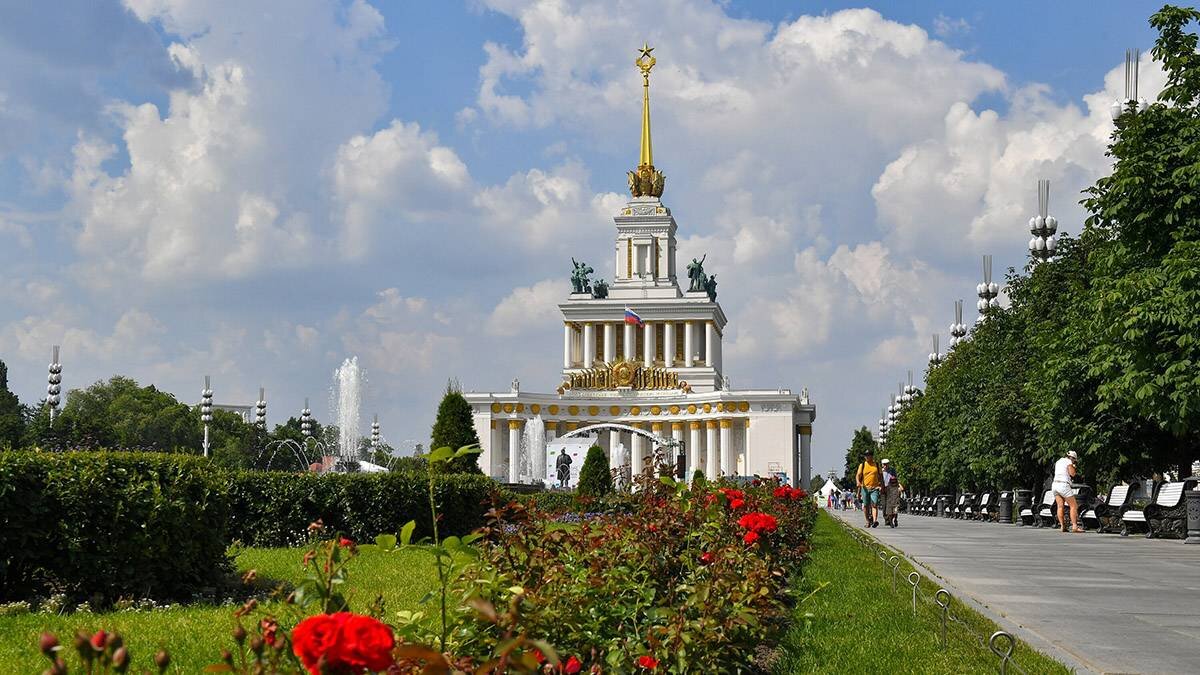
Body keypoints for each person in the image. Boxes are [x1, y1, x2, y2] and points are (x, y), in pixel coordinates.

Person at [1053, 450, 1084, 533]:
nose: (1074, 462)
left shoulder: (1058, 461)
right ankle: (1074, 526)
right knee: (1073, 506)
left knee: (1060, 506)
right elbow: (1072, 474)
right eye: (1074, 460)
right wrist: (1073, 466)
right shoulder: (1069, 461)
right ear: (1072, 458)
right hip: (1063, 485)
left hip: (1055, 484)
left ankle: (1063, 526)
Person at [855, 450, 883, 527]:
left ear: (872, 456)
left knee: (874, 504)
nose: (867, 457)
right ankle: (867, 521)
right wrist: (858, 482)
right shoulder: (862, 465)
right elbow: (858, 475)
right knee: (866, 505)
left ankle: (874, 521)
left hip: (875, 488)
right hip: (865, 488)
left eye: (869, 455)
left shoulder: (876, 465)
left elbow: (881, 476)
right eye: (866, 455)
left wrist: (882, 486)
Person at [880, 459, 905, 528]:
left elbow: (895, 479)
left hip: (891, 489)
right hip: (883, 489)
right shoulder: (880, 471)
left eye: (887, 464)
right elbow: (878, 480)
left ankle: (889, 519)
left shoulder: (892, 470)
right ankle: (886, 518)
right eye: (884, 464)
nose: (885, 466)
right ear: (882, 465)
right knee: (884, 505)